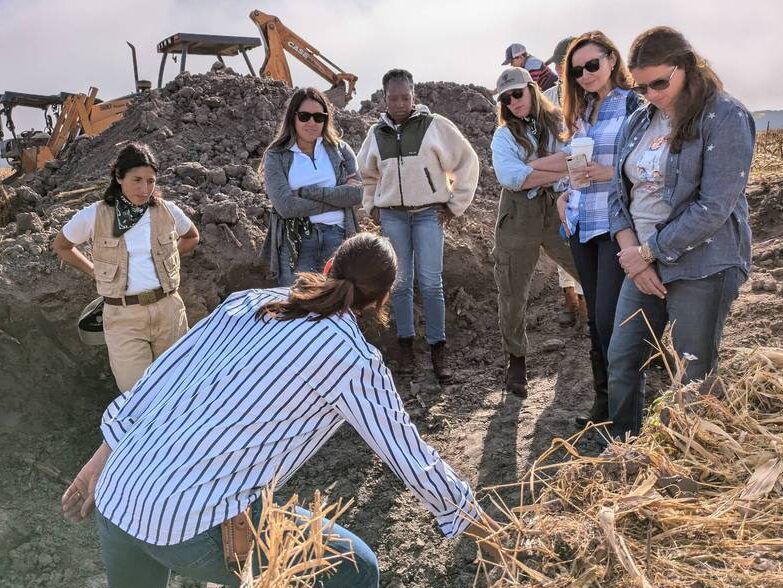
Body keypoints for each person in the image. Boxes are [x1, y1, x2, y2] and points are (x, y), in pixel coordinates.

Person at [61, 233, 499, 588]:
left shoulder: (246, 302)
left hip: (118, 493)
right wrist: (483, 529)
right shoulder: (352, 359)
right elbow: (410, 458)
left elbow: (159, 381)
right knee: (358, 571)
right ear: (381, 302)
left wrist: (96, 465)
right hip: (189, 521)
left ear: (328, 267)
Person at [607, 27, 754, 438]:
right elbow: (618, 195)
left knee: (693, 371)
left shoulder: (725, 116)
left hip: (702, 264)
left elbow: (714, 207)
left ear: (686, 66)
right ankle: (625, 450)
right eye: (641, 87)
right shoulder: (639, 120)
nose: (650, 94)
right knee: (622, 358)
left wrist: (649, 253)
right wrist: (633, 257)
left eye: (659, 83)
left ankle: (689, 458)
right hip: (642, 264)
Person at [357, 68, 480, 384]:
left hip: (428, 214)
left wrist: (454, 205)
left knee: (430, 282)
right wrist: (372, 207)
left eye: (405, 97)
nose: (399, 103)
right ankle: (406, 346)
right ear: (385, 98)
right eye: (393, 97)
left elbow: (468, 162)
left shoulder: (435, 126)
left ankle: (438, 349)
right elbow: (366, 176)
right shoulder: (376, 134)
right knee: (399, 282)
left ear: (414, 96)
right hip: (393, 217)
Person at [53, 143, 199, 393]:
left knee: (178, 388)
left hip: (169, 310)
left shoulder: (167, 210)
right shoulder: (94, 215)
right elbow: (62, 245)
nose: (145, 189)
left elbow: (192, 236)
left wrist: (167, 260)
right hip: (123, 317)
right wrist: (93, 271)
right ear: (119, 177)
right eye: (137, 180)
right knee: (136, 395)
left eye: (151, 181)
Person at [555, 31, 642, 427]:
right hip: (580, 223)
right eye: (577, 70)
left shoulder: (634, 105)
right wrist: (560, 192)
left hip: (615, 224)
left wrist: (611, 172)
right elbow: (568, 163)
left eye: (592, 65)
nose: (586, 75)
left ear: (611, 59)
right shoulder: (580, 112)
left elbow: (651, 162)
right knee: (595, 320)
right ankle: (603, 405)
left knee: (611, 318)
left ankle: (626, 413)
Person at [490, 67, 580, 397]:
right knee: (512, 288)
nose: (513, 102)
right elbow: (512, 177)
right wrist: (558, 164)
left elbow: (578, 159)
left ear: (531, 89)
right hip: (518, 213)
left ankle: (611, 339)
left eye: (517, 94)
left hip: (558, 205)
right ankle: (516, 360)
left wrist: (537, 167)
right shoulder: (503, 136)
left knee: (588, 269)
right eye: (506, 98)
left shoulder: (559, 122)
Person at [261, 87, 362, 286]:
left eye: (318, 117)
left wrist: (307, 193)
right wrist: (337, 200)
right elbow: (286, 207)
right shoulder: (276, 156)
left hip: (338, 238)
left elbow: (357, 195)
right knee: (295, 306)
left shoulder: (340, 150)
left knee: (335, 305)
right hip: (296, 241)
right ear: (293, 117)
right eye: (305, 116)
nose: (311, 123)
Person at [542, 35, 587, 327]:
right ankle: (569, 298)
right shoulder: (547, 96)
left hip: (583, 177)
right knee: (563, 240)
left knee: (583, 240)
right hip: (556, 177)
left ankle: (586, 303)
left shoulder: (588, 93)